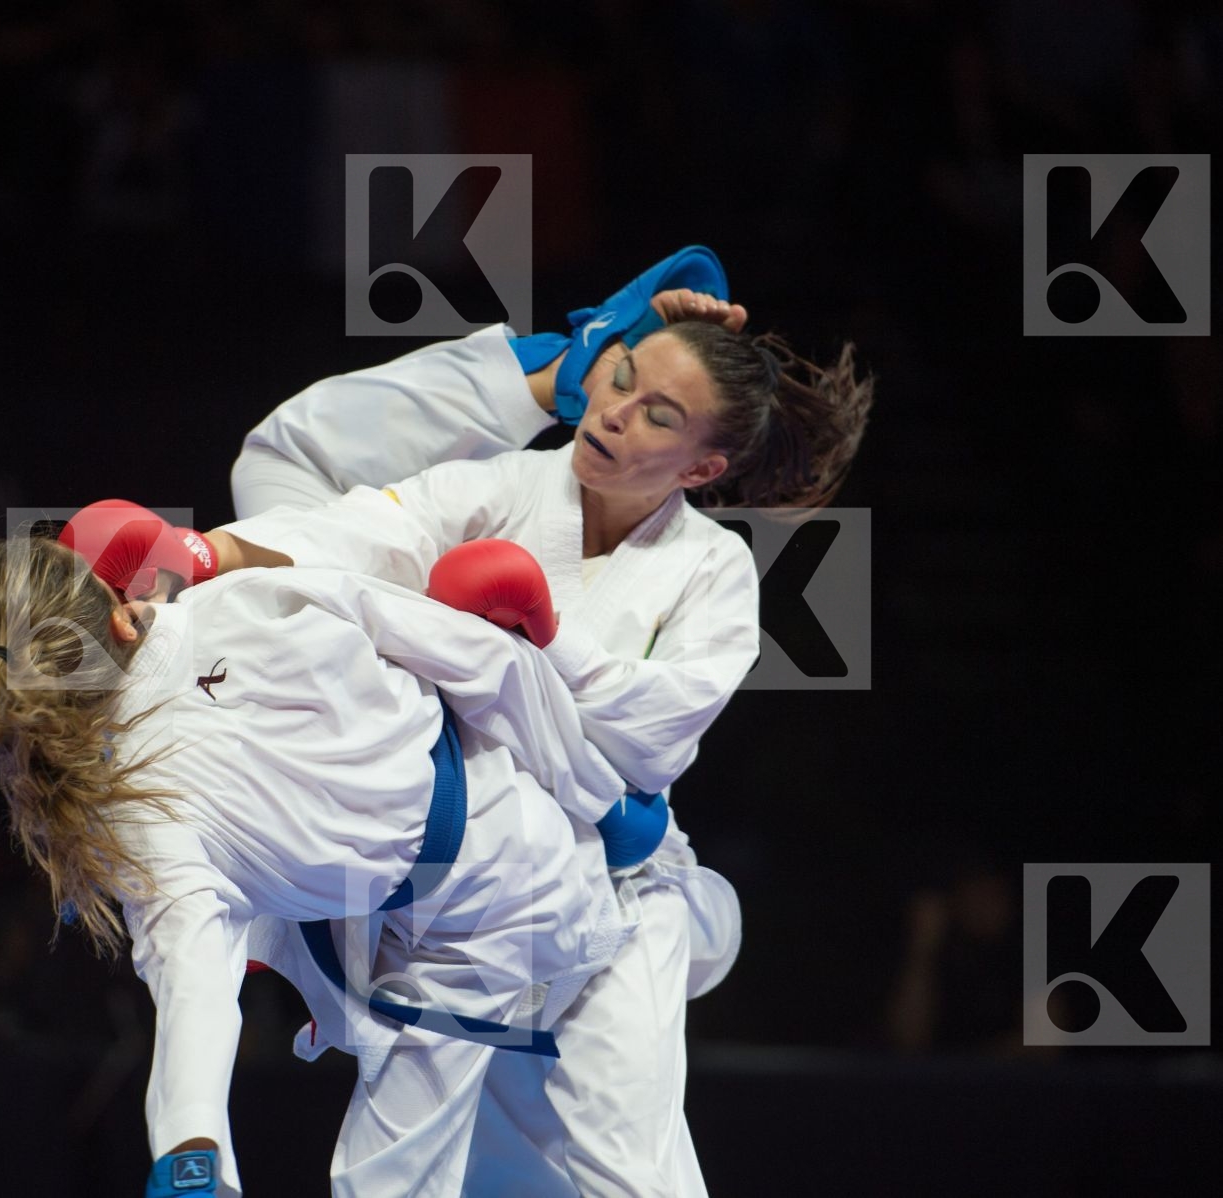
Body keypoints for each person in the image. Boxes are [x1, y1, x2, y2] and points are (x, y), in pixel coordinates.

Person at [218, 246, 876, 1195]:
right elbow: (342, 514)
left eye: (658, 414)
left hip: (616, 894)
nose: (615, 411)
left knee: (628, 1167)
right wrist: (207, 554)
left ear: (704, 467)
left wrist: (534, 636)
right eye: (618, 377)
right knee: (464, 1175)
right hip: (464, 903)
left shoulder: (712, 570)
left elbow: (651, 735)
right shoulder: (501, 486)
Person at [0, 516, 644, 1198]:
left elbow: (191, 983)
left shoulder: (128, 818)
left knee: (451, 1165)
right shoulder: (251, 603)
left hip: (480, 903)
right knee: (529, 1146)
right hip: (477, 878)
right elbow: (485, 658)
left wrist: (192, 1148)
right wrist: (602, 798)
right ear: (119, 614)